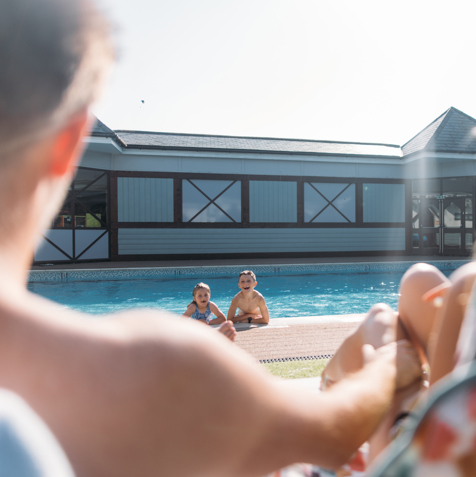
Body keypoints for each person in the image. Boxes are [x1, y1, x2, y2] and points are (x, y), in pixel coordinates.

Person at [0, 0, 422, 476]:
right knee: (404, 302)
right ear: (69, 144)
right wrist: (390, 363)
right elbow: (332, 433)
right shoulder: (153, 365)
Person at [321, 261, 476, 469]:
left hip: (397, 450)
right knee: (419, 280)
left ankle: (339, 393)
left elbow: (389, 468)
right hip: (450, 413)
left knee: (381, 320)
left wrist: (380, 380)